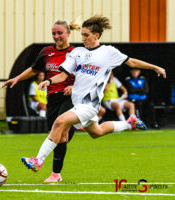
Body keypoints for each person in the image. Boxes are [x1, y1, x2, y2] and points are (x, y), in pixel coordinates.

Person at [21, 15, 166, 173]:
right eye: (82, 35)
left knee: (59, 122)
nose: (83, 38)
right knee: (97, 132)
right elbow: (63, 75)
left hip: (90, 104)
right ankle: (129, 123)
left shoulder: (108, 52)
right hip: (78, 104)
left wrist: (155, 67)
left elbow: (131, 62)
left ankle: (38, 161)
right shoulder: (77, 52)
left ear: (96, 35)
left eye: (86, 35)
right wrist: (49, 81)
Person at [3, 19, 81, 182]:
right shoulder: (46, 52)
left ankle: (42, 165)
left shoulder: (76, 53)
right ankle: (56, 174)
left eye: (60, 33)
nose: (56, 36)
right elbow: (34, 69)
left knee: (60, 130)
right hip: (52, 98)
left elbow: (87, 76)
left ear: (68, 33)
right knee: (59, 137)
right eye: (54, 33)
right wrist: (16, 78)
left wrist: (74, 85)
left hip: (71, 98)